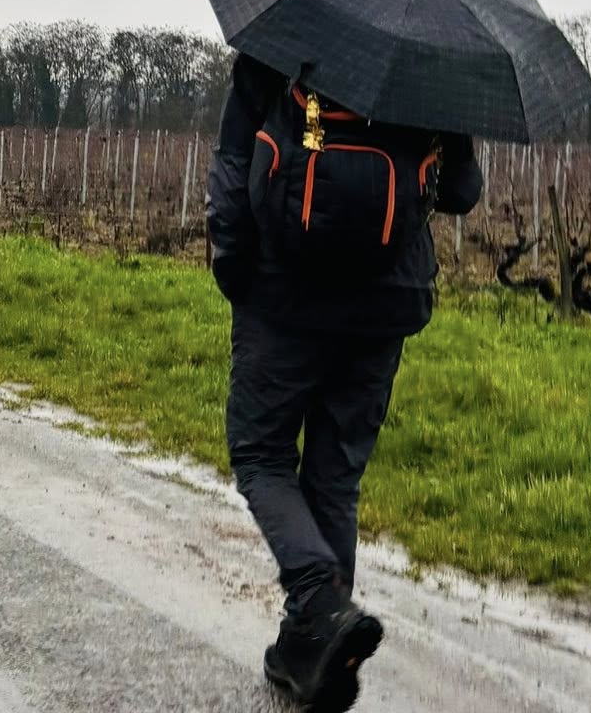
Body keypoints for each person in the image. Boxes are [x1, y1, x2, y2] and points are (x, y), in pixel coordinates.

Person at [206, 55, 482, 708]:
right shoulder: (429, 68)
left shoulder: (279, 50)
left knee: (261, 453)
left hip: (281, 294)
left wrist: (233, 265)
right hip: (385, 304)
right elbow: (461, 192)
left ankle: (318, 599)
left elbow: (234, 161)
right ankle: (312, 655)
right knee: (335, 476)